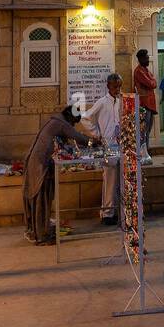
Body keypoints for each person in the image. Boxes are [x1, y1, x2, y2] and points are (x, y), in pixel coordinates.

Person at [23, 105, 97, 245]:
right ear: (70, 117)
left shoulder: (56, 120)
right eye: (74, 122)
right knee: (42, 199)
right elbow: (77, 136)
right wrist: (92, 142)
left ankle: (39, 230)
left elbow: (66, 142)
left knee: (42, 199)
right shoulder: (61, 123)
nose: (72, 125)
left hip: (37, 163)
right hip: (40, 166)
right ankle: (41, 235)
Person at [81, 73, 124, 225]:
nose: (117, 89)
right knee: (110, 180)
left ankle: (122, 212)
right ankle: (107, 213)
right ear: (108, 86)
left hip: (123, 145)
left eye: (119, 86)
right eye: (115, 86)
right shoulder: (102, 102)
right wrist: (97, 135)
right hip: (108, 145)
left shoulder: (123, 101)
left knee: (123, 180)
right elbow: (85, 118)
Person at [133, 49, 158, 153]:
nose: (148, 59)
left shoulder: (145, 70)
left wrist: (152, 81)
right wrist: (152, 81)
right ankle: (143, 152)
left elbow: (154, 82)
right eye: (146, 58)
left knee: (147, 130)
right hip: (144, 103)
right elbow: (152, 84)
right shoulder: (139, 71)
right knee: (143, 130)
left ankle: (146, 151)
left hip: (149, 103)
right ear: (141, 59)